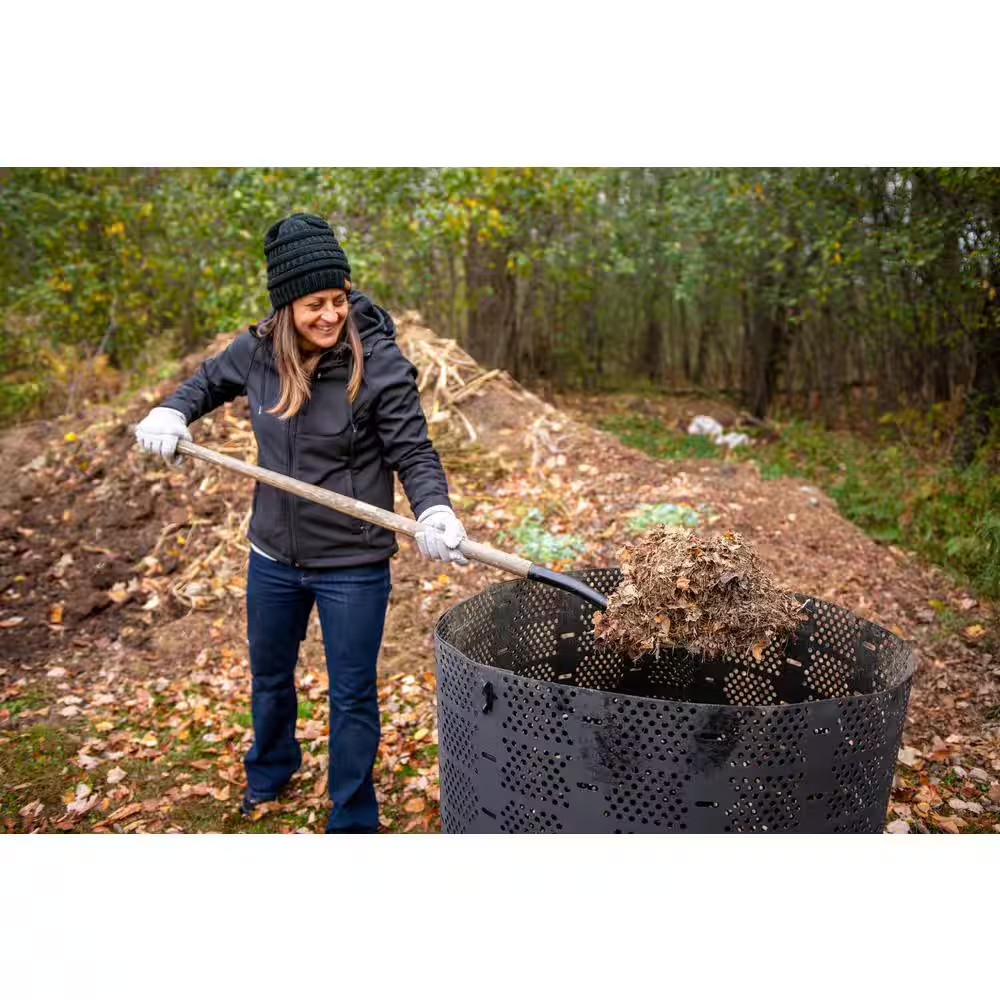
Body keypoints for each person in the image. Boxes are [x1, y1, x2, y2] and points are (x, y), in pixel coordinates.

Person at [135, 213, 468, 833]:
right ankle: (269, 771)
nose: (330, 315)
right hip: (272, 556)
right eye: (314, 304)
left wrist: (433, 508)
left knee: (351, 694)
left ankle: (352, 815)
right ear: (286, 306)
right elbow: (204, 384)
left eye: (338, 299)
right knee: (269, 677)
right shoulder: (256, 352)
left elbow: (414, 451)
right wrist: (171, 412)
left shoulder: (378, 362)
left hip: (352, 563)